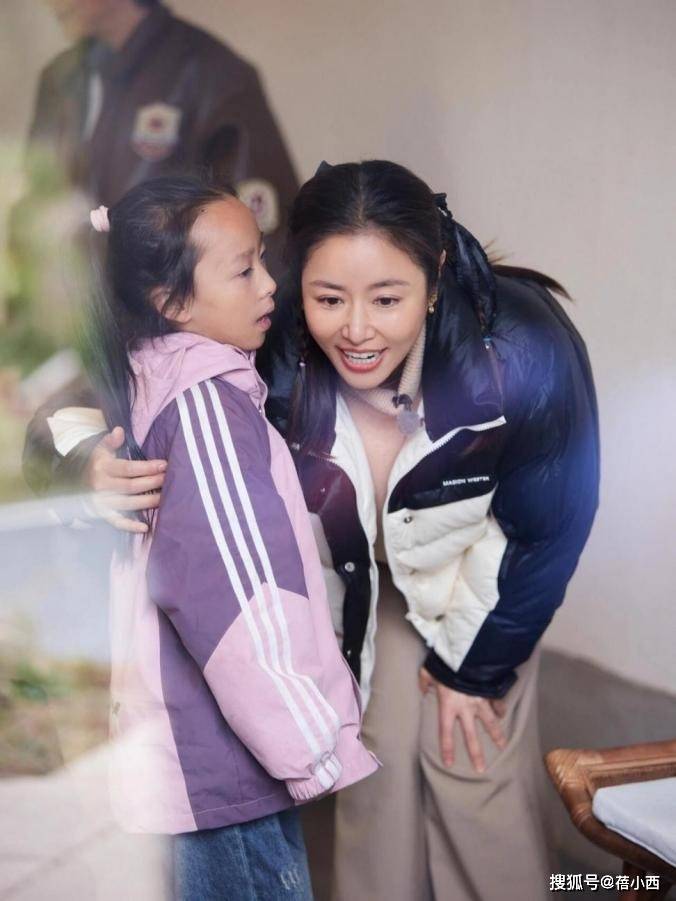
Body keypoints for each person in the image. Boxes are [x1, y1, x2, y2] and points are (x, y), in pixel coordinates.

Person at [23, 160, 599, 901]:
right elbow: (96, 389)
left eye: (387, 299)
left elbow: (552, 528)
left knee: (470, 768)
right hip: (353, 576)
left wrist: (476, 672)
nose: (355, 329)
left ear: (435, 274)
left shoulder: (524, 346)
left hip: (478, 570)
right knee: (372, 771)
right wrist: (84, 466)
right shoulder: (260, 321)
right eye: (329, 298)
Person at [81, 174, 377, 899]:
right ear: (171, 302)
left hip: (204, 756)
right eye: (243, 270)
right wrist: (310, 743)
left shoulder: (156, 374)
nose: (270, 285)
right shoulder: (205, 408)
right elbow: (234, 595)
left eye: (263, 260)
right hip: (227, 765)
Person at [4, 0, 298, 371]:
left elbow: (265, 232)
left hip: (173, 355)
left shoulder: (212, 73)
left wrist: (272, 375)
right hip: (70, 343)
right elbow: (33, 207)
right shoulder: (60, 79)